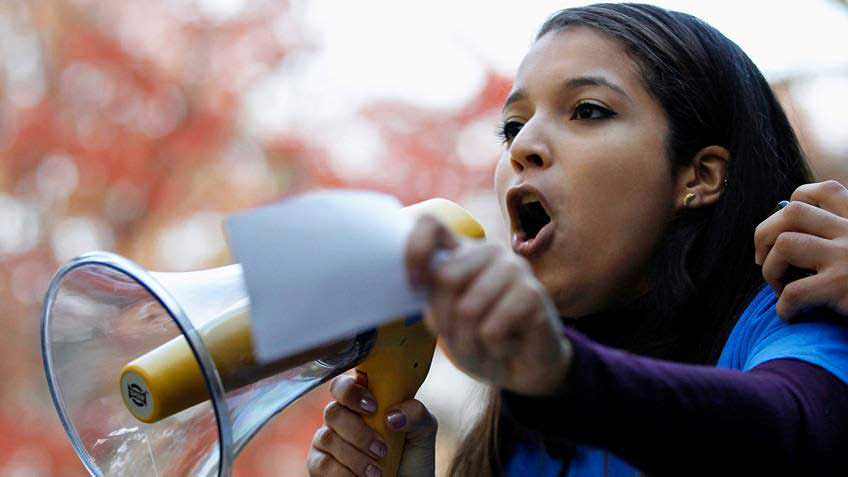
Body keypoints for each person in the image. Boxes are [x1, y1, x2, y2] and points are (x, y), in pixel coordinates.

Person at [306, 4, 848, 476]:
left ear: (699, 176)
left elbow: (790, 429)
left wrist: (564, 375)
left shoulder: (795, 313)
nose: (524, 147)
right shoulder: (519, 433)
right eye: (512, 127)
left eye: (588, 110)